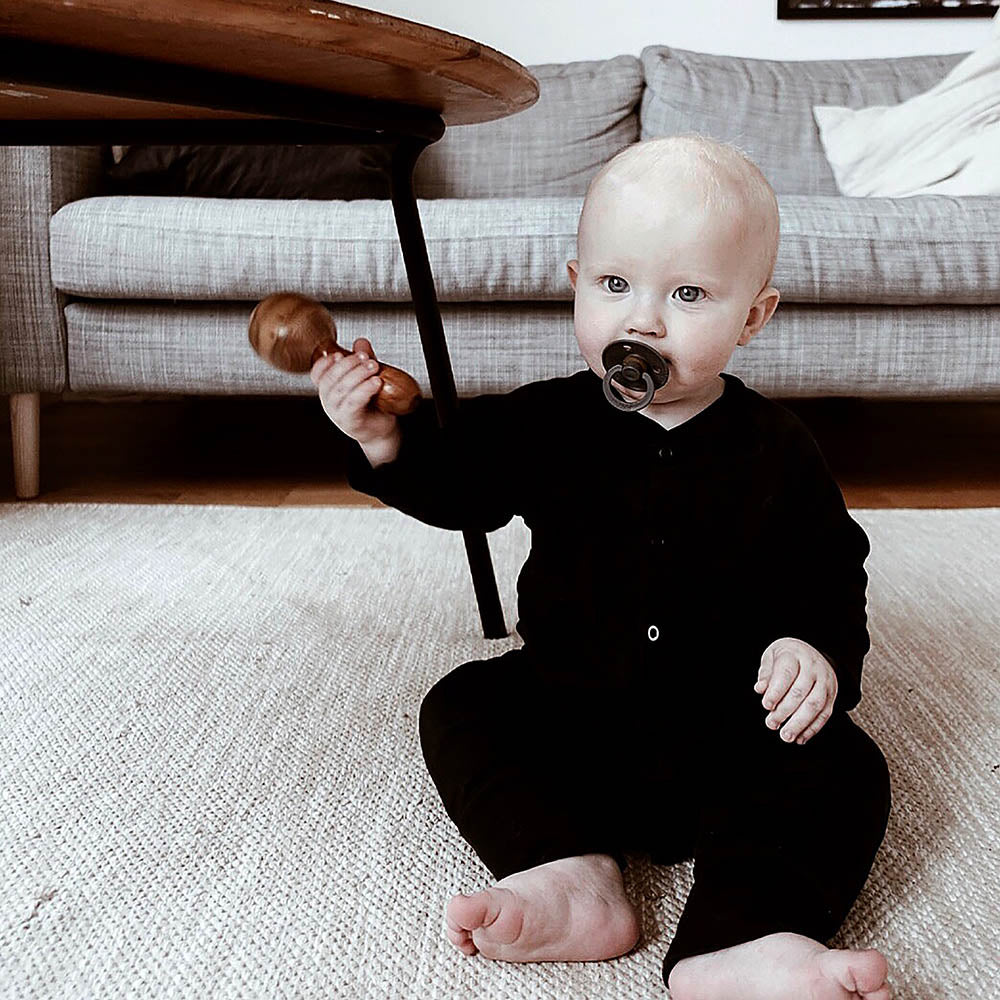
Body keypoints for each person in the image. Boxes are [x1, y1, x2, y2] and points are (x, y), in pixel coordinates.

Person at [311, 135, 893, 1000]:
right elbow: (464, 488)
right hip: (572, 713)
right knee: (465, 704)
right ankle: (568, 872)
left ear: (754, 317)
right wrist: (385, 440)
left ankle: (741, 941)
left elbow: (830, 569)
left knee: (846, 769)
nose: (642, 321)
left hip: (730, 731)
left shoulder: (778, 447)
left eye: (689, 295)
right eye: (615, 286)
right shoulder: (548, 420)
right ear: (577, 279)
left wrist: (814, 650)